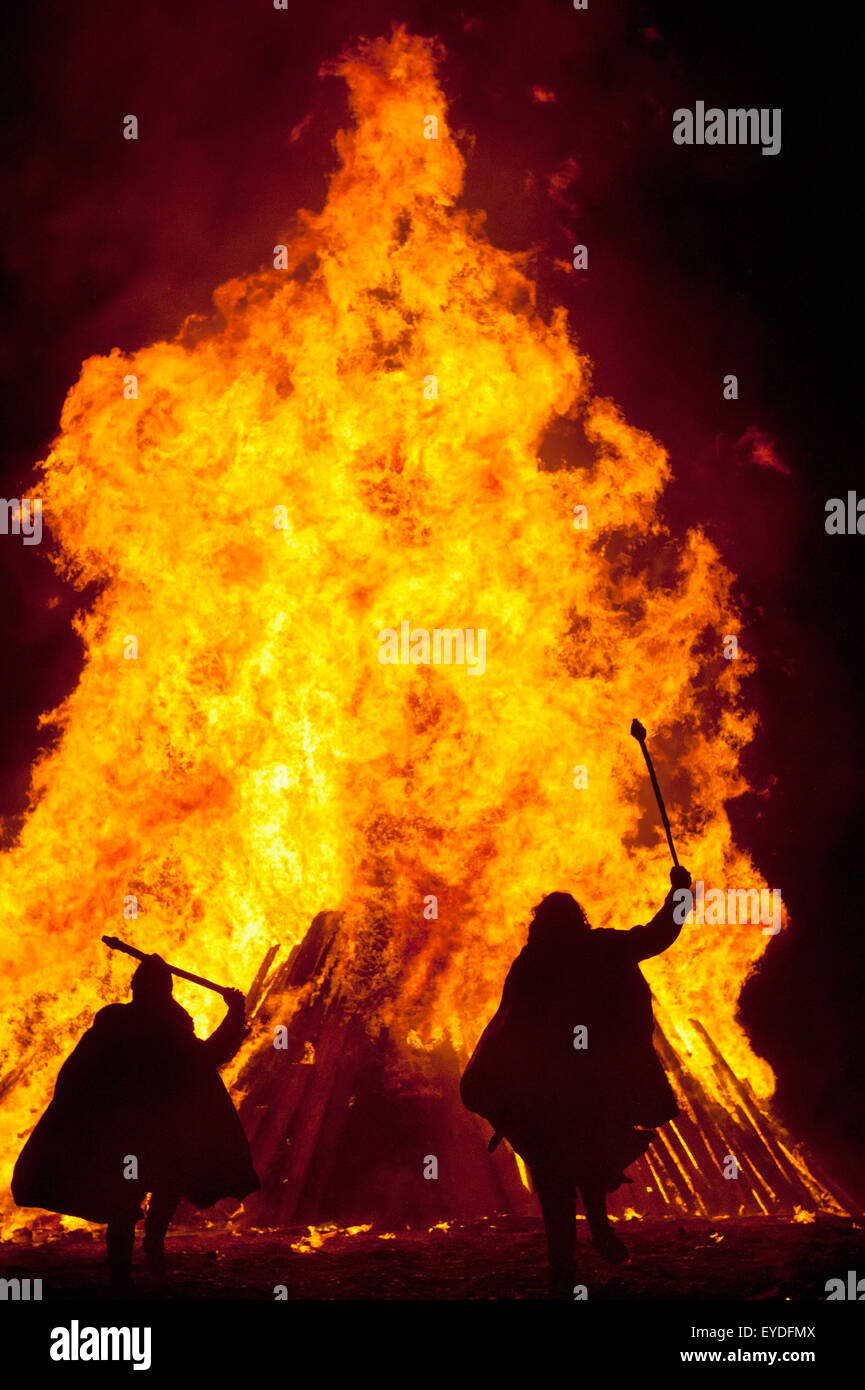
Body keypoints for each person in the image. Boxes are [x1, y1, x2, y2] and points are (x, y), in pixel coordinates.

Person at [460, 866, 691, 1296]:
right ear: (579, 920)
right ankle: (592, 1240)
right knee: (588, 1155)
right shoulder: (602, 947)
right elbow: (659, 935)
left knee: (557, 1174)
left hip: (549, 1084)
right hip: (587, 1080)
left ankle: (565, 1268)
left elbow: (510, 1028)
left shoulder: (533, 962)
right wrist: (680, 894)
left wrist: (505, 1086)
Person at [12, 953, 260, 1289]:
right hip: (140, 1130)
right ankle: (139, 1257)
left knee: (138, 1194)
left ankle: (135, 1261)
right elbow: (209, 1057)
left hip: (133, 1132)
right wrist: (234, 1013)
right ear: (164, 990)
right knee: (151, 1188)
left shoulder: (128, 1023)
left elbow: (77, 1074)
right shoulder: (151, 1025)